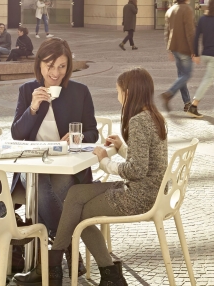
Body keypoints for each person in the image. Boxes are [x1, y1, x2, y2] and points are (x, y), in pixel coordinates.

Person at [51, 68, 166, 286]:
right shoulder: (154, 116)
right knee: (75, 194)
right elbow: (145, 162)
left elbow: (136, 171)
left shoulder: (139, 121)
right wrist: (122, 147)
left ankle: (101, 273)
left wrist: (105, 161)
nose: (117, 96)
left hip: (140, 195)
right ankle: (56, 262)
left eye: (119, 91)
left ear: (129, 92)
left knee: (79, 216)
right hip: (152, 191)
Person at [11, 37, 99, 285]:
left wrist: (78, 137)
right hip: (32, 166)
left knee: (49, 189)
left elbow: (93, 131)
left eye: (61, 66)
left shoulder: (79, 92)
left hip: (66, 165)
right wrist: (33, 109)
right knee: (39, 186)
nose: (55, 72)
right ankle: (69, 249)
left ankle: (47, 262)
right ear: (39, 65)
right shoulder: (27, 91)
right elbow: (17, 135)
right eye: (50, 66)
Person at [160, 0, 195, 113]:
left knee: (181, 76)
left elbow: (167, 31)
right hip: (185, 49)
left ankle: (187, 103)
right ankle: (169, 93)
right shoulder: (186, 9)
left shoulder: (171, 9)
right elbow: (190, 32)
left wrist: (169, 49)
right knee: (186, 75)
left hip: (174, 48)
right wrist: (194, 51)